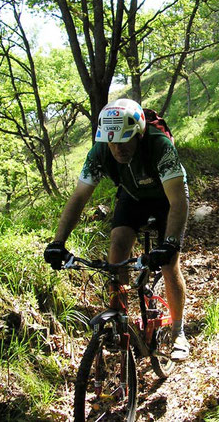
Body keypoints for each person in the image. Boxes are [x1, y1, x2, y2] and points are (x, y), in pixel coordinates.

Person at [44, 98, 190, 361]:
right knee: (117, 249)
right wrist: (58, 242)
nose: (117, 148)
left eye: (124, 140)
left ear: (138, 134)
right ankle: (119, 320)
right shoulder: (100, 152)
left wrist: (169, 243)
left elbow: (178, 200)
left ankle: (179, 331)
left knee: (169, 264)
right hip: (133, 196)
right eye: (111, 142)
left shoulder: (159, 146)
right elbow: (78, 198)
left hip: (166, 198)